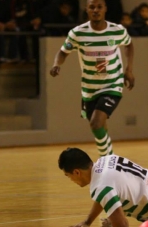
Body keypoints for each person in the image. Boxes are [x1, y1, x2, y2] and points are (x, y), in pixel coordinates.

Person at [50, 0, 135, 157]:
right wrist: (57, 64)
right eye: (92, 7)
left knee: (96, 123)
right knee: (100, 126)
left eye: (99, 7)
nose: (96, 10)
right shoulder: (78, 33)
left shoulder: (116, 30)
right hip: (89, 89)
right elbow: (63, 52)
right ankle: (110, 157)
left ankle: (107, 162)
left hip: (112, 84)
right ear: (87, 10)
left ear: (105, 9)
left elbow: (128, 44)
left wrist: (128, 69)